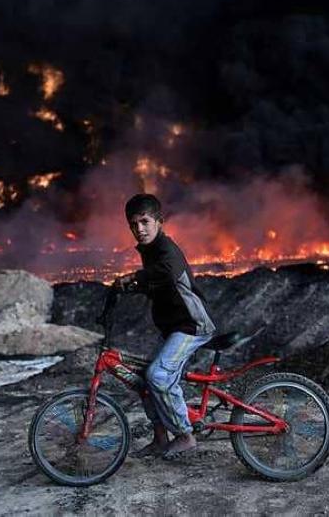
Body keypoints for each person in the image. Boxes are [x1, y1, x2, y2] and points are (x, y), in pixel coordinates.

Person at [114, 193, 217, 460]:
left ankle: (185, 435)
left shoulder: (166, 249)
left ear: (160, 221)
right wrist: (129, 288)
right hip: (175, 327)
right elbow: (155, 283)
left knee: (158, 376)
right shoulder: (150, 252)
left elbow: (166, 273)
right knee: (145, 380)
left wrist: (134, 277)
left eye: (145, 222)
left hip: (191, 325)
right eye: (133, 225)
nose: (139, 229)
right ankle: (160, 438)